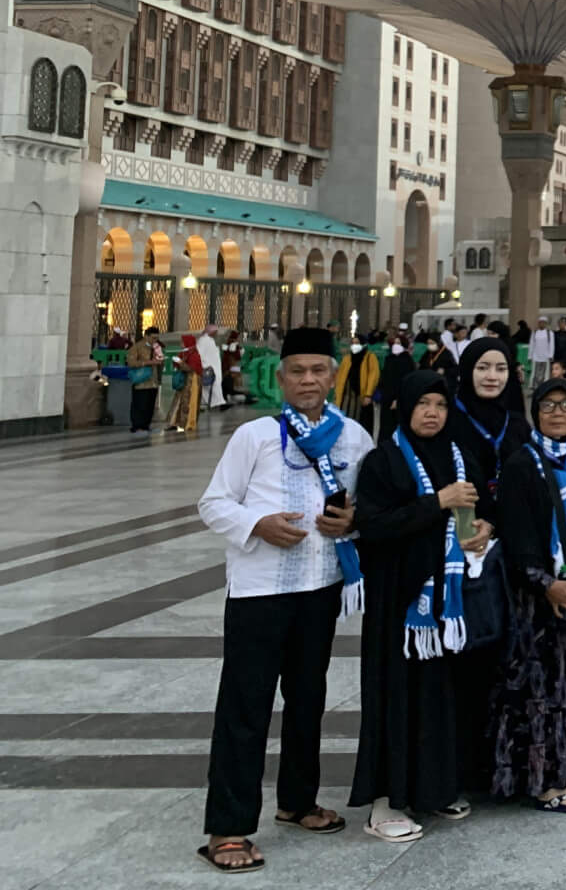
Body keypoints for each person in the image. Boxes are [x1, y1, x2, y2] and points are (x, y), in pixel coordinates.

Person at [196, 328, 371, 873]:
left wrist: (353, 521)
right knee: (245, 705)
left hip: (320, 588)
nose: (308, 381)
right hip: (260, 590)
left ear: (333, 376)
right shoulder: (255, 436)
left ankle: (298, 801)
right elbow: (213, 503)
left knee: (307, 699)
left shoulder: (354, 437)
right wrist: (258, 524)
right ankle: (228, 828)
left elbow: (369, 507)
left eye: (318, 370)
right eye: (297, 371)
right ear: (281, 377)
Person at [349, 369, 494, 841]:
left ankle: (436, 787)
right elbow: (374, 526)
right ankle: (385, 802)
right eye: (423, 404)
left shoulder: (460, 457)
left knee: (442, 693)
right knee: (396, 694)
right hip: (400, 600)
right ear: (404, 407)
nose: (432, 413)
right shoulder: (383, 461)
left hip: (447, 603)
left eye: (440, 405)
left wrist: (484, 528)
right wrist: (437, 502)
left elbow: (483, 511)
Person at [488, 378, 566, 813]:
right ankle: (543, 782)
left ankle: (564, 771)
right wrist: (544, 584)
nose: (558, 413)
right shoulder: (521, 464)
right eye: (548, 406)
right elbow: (516, 534)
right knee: (537, 689)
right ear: (535, 413)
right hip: (534, 599)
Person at [453, 338, 531, 498]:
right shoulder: (448, 419)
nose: (492, 377)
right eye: (482, 368)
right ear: (467, 370)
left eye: (501, 369)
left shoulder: (517, 424)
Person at [333, 334, 380, 431]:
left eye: (357, 343)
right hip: (346, 396)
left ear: (363, 344)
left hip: (360, 396)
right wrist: (337, 393)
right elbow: (340, 376)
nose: (354, 345)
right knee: (344, 420)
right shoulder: (347, 358)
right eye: (353, 343)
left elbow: (373, 376)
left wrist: (368, 394)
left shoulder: (370, 357)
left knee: (358, 422)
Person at [128, 328, 161, 435]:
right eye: (153, 338)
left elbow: (160, 361)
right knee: (140, 404)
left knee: (149, 405)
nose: (155, 340)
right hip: (141, 382)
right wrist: (148, 362)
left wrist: (159, 359)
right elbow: (131, 363)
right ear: (146, 336)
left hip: (153, 381)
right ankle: (137, 426)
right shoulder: (137, 347)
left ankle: (146, 425)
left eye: (157, 338)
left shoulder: (156, 347)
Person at [198, 324, 228, 412]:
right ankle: (216, 403)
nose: (216, 334)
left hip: (214, 368)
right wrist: (205, 365)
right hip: (208, 368)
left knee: (215, 385)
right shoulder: (203, 340)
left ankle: (217, 403)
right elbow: (199, 354)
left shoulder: (210, 340)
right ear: (211, 332)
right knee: (211, 386)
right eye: (215, 332)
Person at [529, 317, 554, 384]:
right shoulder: (535, 332)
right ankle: (534, 385)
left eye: (543, 322)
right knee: (535, 372)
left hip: (546, 356)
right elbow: (532, 344)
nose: (541, 324)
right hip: (536, 356)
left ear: (546, 324)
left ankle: (544, 385)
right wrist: (530, 356)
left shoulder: (549, 333)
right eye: (540, 322)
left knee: (545, 373)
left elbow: (551, 345)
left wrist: (551, 355)